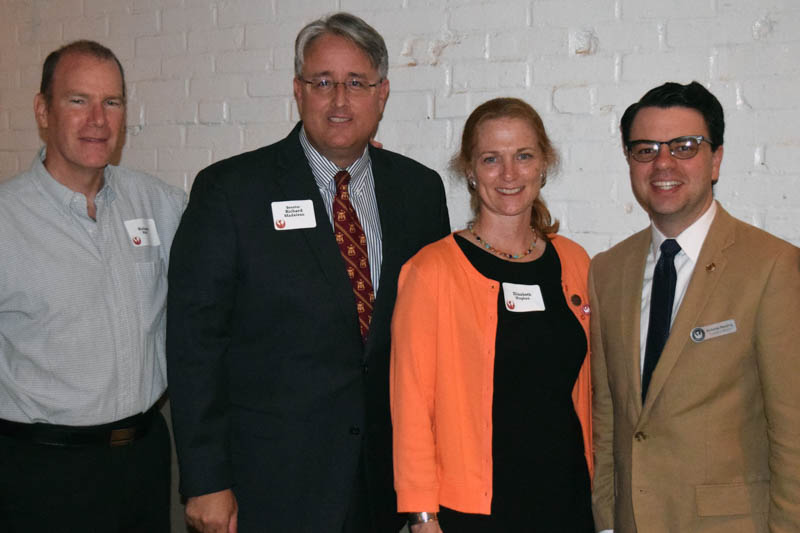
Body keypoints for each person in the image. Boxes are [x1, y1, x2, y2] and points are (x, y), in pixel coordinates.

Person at [166, 12, 450, 533]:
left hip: (385, 483)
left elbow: (428, 341)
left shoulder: (419, 191)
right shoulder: (231, 191)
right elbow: (194, 345)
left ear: (381, 93)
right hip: (270, 484)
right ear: (298, 90)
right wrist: (205, 479)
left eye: (356, 83)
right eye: (323, 82)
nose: (340, 101)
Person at [590, 81, 800, 533]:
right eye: (644, 149)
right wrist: (607, 519)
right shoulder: (607, 271)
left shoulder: (772, 267)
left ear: (716, 159)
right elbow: (608, 415)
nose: (663, 162)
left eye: (684, 146)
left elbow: (793, 431)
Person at [0, 40, 185, 532]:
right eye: (78, 101)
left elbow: (243, 248)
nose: (98, 120)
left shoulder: (162, 204)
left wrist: (341, 171)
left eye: (112, 102)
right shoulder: (6, 219)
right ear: (43, 109)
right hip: (39, 473)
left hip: (144, 461)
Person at [391, 97, 594, 532]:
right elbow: (409, 406)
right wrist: (422, 515)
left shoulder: (575, 262)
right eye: (491, 159)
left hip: (568, 500)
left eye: (523, 156)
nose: (509, 174)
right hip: (474, 512)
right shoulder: (431, 271)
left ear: (545, 163)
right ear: (469, 169)